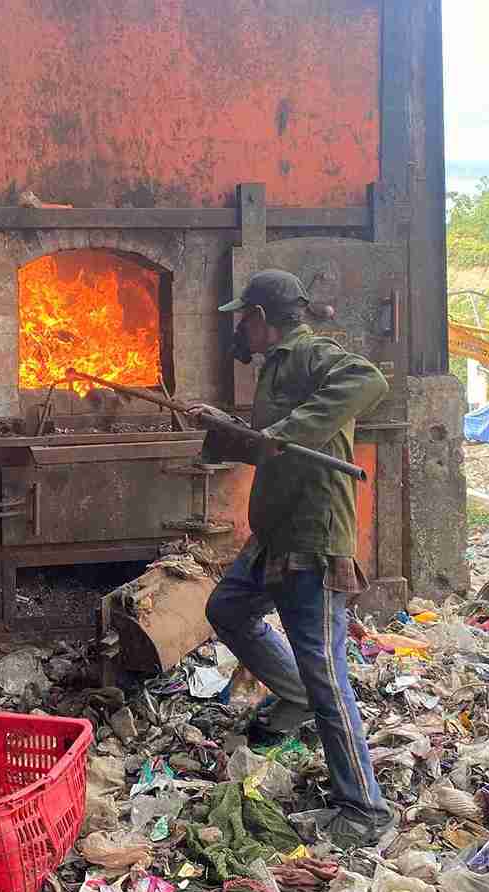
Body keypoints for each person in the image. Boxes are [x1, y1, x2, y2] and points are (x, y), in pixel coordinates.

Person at [190, 268, 394, 850]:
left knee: (326, 673)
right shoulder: (274, 366)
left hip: (311, 536)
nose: (238, 328)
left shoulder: (310, 354)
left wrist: (288, 430)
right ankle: (295, 694)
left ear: (260, 317)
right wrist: (222, 428)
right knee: (228, 609)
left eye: (242, 318)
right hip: (275, 532)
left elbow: (369, 379)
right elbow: (268, 444)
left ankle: (365, 808)